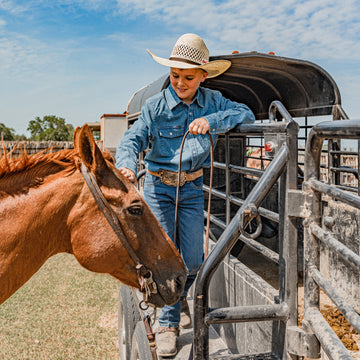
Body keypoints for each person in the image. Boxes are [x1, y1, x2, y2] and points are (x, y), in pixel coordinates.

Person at [116, 33, 255, 357]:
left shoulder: (214, 101)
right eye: (175, 75)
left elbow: (245, 113)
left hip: (192, 188)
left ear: (203, 76)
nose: (179, 82)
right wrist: (125, 166)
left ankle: (175, 300)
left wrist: (212, 120)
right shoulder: (155, 107)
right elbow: (132, 139)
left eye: (188, 77)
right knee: (167, 257)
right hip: (159, 186)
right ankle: (168, 322)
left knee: (193, 259)